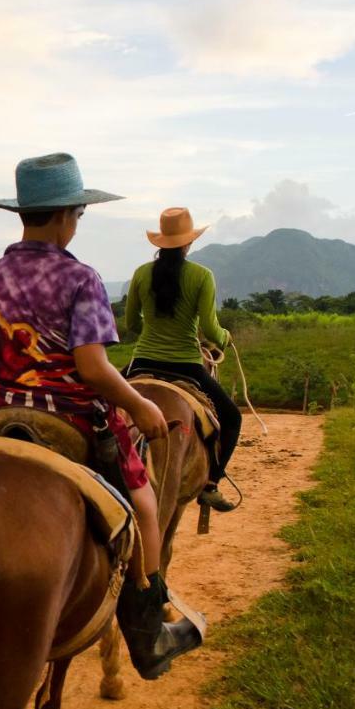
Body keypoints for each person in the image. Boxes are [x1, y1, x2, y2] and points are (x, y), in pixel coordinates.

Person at [0, 152, 202, 680]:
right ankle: (149, 630)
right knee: (144, 504)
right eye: (79, 215)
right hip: (71, 415)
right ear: (68, 215)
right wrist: (140, 403)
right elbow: (92, 368)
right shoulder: (81, 278)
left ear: (23, 215)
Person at [124, 208, 242, 512]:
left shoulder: (140, 274)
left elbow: (132, 324)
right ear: (188, 243)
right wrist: (225, 337)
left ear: (161, 242)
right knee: (231, 418)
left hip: (142, 363)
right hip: (187, 366)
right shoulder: (202, 276)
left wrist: (149, 331)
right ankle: (211, 484)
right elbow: (210, 327)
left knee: (96, 405)